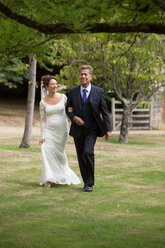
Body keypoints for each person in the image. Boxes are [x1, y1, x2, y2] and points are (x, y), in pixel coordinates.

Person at [66, 65, 112, 192]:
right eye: (81, 74)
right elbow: (68, 109)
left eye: (86, 74)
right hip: (77, 129)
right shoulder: (73, 91)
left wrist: (108, 129)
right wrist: (74, 117)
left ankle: (90, 183)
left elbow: (104, 112)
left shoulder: (99, 92)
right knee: (81, 156)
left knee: (88, 152)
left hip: (92, 129)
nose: (83, 76)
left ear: (91, 76)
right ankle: (86, 183)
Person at [39, 75, 81, 187]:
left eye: (55, 84)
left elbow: (70, 111)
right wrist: (42, 135)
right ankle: (49, 178)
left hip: (62, 130)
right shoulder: (42, 102)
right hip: (49, 130)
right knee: (47, 153)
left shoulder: (64, 98)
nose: (54, 86)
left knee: (60, 154)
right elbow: (43, 120)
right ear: (47, 86)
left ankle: (64, 176)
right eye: (52, 84)